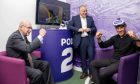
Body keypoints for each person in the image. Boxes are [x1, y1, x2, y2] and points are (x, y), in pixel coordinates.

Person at [90, 18, 140, 84]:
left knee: (102, 73)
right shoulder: (114, 38)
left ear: (125, 27)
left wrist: (136, 39)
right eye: (117, 28)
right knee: (93, 63)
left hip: (122, 62)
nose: (119, 30)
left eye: (121, 27)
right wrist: (99, 39)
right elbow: (103, 45)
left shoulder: (131, 37)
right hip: (113, 60)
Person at [6, 20, 54, 84]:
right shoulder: (15, 36)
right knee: (38, 74)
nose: (30, 30)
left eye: (31, 28)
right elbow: (28, 48)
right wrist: (40, 36)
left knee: (46, 64)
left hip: (26, 62)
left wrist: (39, 39)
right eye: (28, 27)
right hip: (18, 65)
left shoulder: (23, 36)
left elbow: (29, 45)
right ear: (21, 27)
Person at [68, 5, 97, 79]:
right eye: (84, 11)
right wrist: (78, 29)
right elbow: (69, 26)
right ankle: (84, 72)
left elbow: (94, 28)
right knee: (83, 58)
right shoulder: (75, 18)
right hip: (81, 41)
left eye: (86, 11)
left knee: (91, 57)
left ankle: (91, 73)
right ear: (80, 11)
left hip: (89, 40)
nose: (85, 12)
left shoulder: (90, 18)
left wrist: (90, 29)